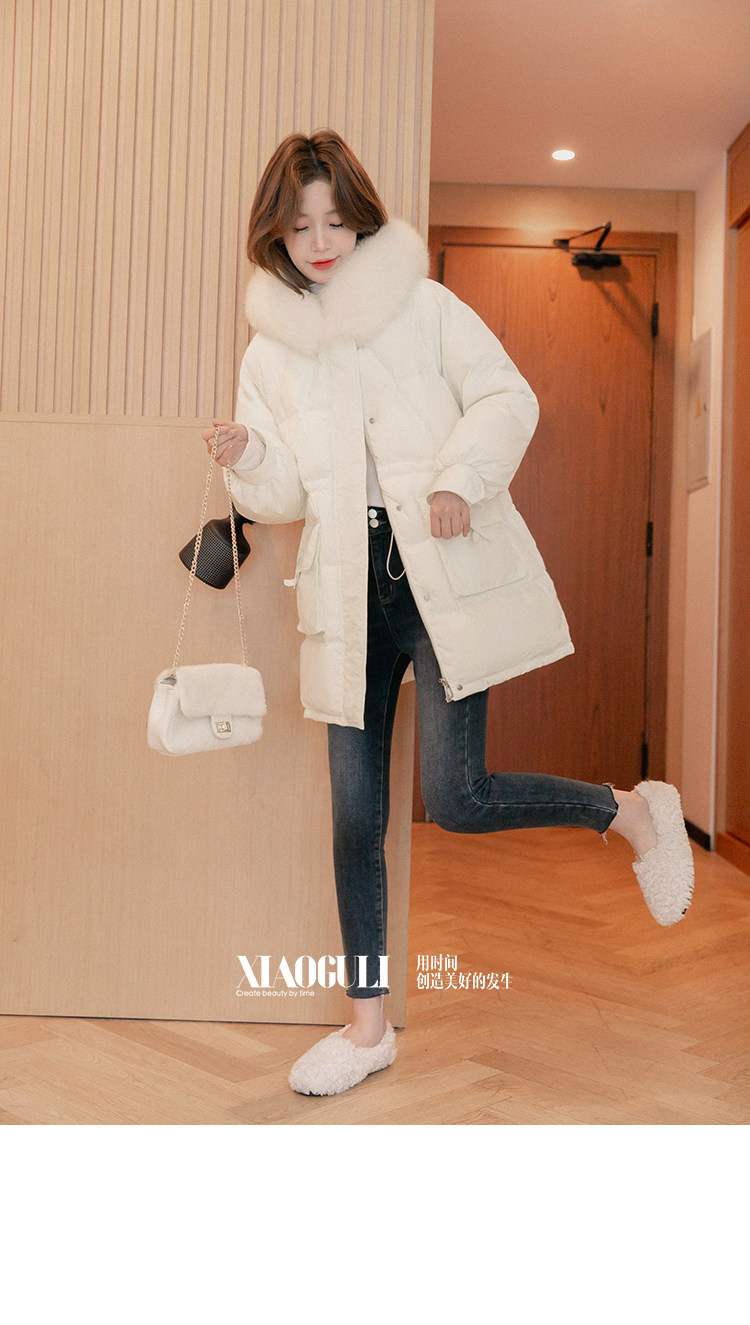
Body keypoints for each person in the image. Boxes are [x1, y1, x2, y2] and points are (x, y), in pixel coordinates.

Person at [203, 129, 694, 1098]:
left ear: (361, 218)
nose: (320, 242)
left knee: (457, 795)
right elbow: (287, 493)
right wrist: (248, 456)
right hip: (347, 587)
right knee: (355, 813)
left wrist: (458, 478)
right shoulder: (271, 352)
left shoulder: (423, 308)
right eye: (300, 226)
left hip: (433, 574)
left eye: (336, 220)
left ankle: (631, 809)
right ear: (276, 234)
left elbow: (509, 396)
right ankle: (367, 1028)